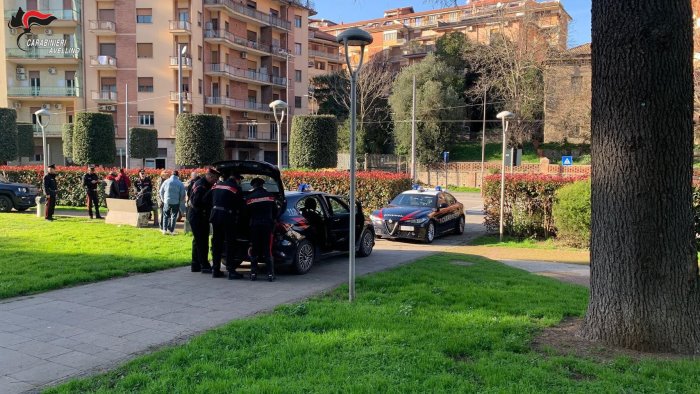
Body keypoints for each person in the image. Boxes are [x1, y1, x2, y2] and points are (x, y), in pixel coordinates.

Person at [209, 173, 244, 279]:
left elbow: (205, 199)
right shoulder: (235, 188)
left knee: (217, 243)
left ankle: (215, 270)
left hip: (215, 216)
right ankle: (231, 271)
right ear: (237, 180)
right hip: (227, 217)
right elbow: (241, 205)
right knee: (230, 243)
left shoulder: (216, 185)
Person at [245, 177, 278, 282]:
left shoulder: (249, 197)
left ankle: (253, 274)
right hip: (267, 226)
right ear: (263, 185)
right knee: (267, 249)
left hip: (254, 226)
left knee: (254, 249)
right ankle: (270, 275)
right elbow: (275, 212)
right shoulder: (270, 196)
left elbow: (246, 214)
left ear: (253, 186)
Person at [188, 169, 218, 273]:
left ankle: (195, 265)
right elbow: (197, 203)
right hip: (198, 216)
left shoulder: (200, 183)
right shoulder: (202, 186)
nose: (216, 181)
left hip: (197, 216)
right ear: (210, 176)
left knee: (197, 241)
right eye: (215, 179)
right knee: (202, 242)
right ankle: (204, 265)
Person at [159, 170, 185, 235]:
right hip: (176, 202)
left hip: (166, 201)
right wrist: (180, 201)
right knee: (174, 216)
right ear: (177, 175)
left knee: (165, 215)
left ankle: (164, 230)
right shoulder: (180, 183)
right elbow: (183, 194)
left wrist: (163, 199)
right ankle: (171, 230)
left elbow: (161, 191)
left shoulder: (166, 181)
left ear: (171, 175)